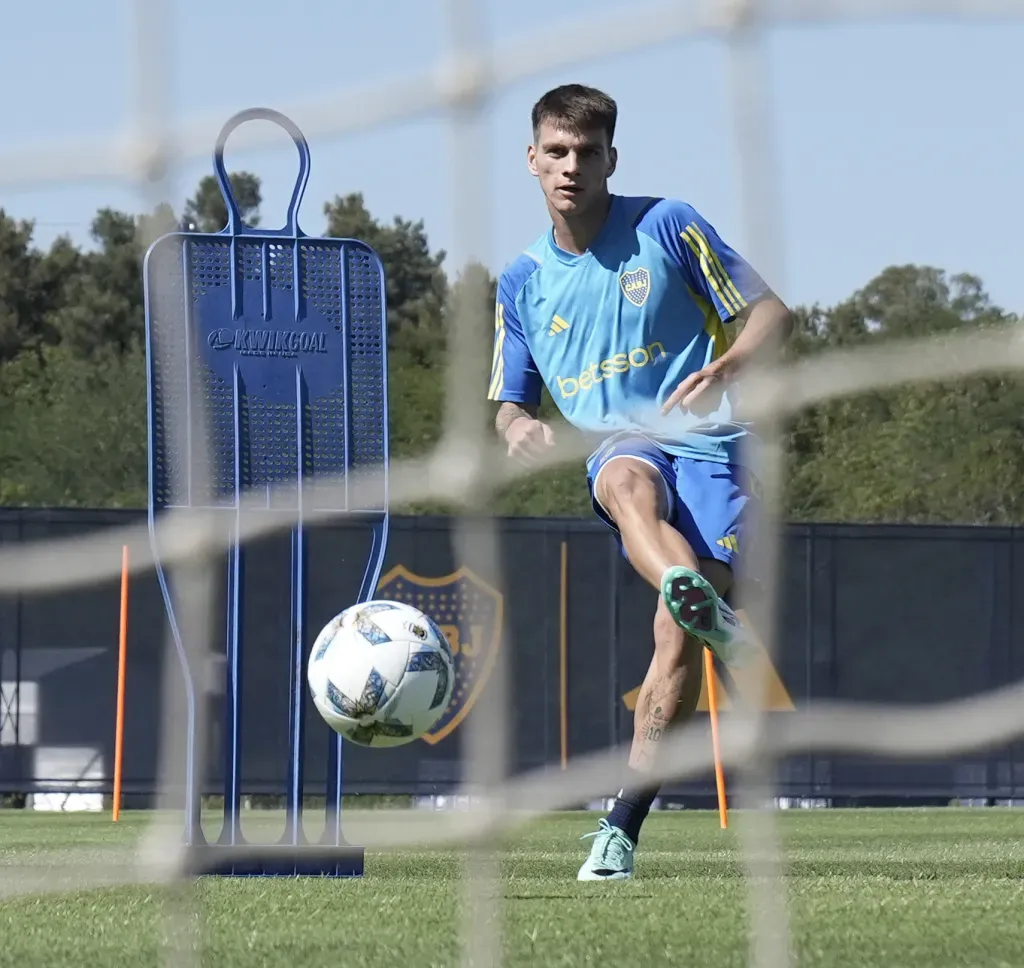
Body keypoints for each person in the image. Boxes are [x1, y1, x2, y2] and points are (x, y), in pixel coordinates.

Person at [487, 83, 793, 881]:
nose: (571, 167)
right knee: (624, 482)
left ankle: (623, 822)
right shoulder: (521, 283)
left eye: (587, 153)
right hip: (623, 445)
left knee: (672, 634)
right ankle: (702, 601)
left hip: (715, 447)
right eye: (556, 151)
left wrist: (726, 363)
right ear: (531, 159)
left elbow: (773, 314)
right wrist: (520, 428)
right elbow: (509, 403)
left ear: (611, 159)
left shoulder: (666, 225)